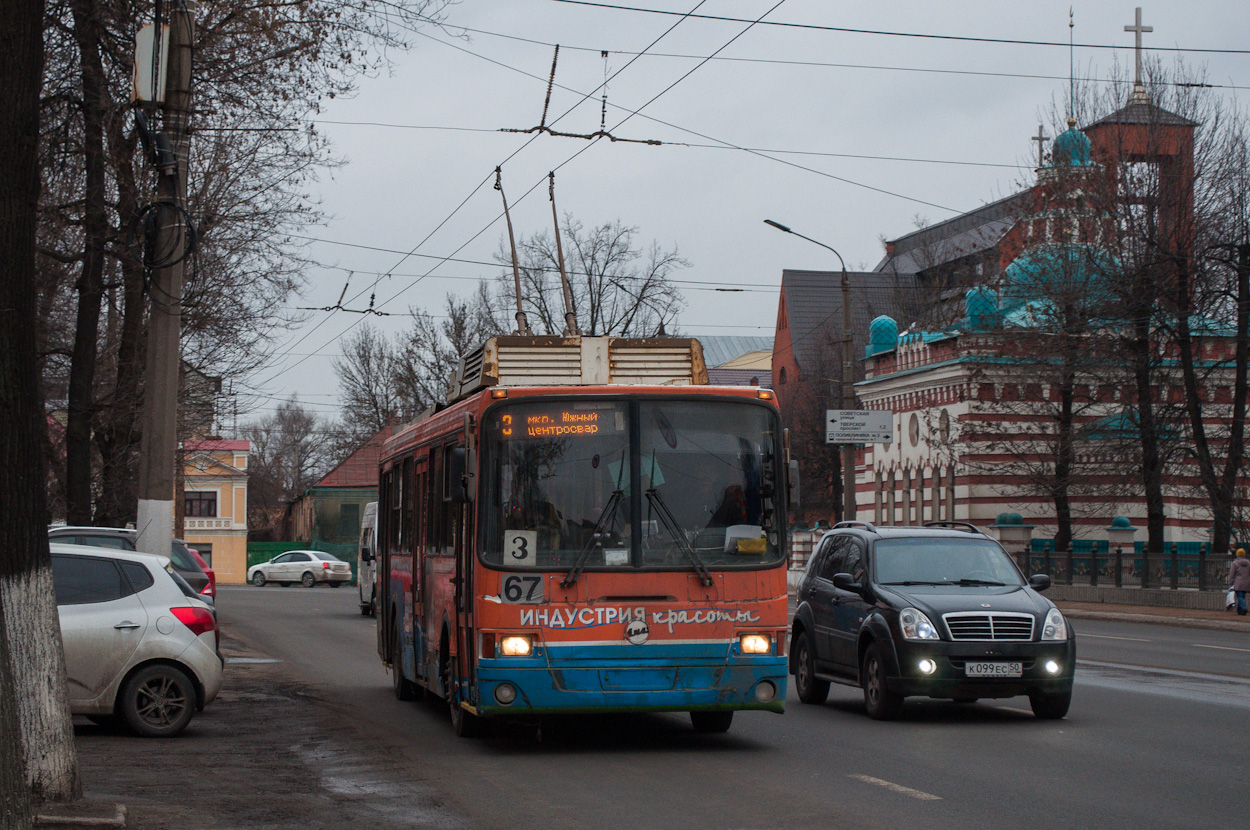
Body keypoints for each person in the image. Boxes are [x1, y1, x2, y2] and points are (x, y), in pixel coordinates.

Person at [1230, 548, 1250, 616]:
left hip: (1238, 582)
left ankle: (1244, 608)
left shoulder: (1235, 563)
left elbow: (1232, 573)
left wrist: (1231, 582)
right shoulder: (1248, 563)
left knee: (1239, 596)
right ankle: (1240, 610)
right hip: (1247, 582)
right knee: (1242, 596)